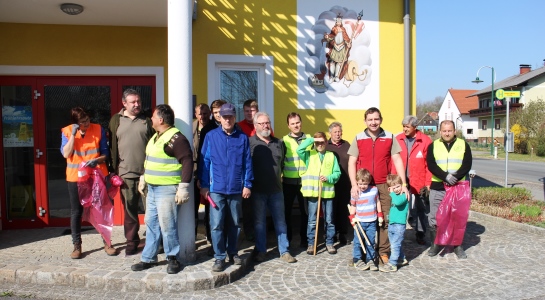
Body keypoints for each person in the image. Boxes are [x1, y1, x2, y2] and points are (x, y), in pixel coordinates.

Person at [131, 104, 193, 274]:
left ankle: (173, 258)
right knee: (151, 223)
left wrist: (183, 187)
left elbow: (187, 161)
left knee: (167, 225)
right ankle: (148, 258)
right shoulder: (156, 137)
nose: (150, 119)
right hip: (152, 188)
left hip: (167, 189)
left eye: (153, 116)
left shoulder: (176, 139)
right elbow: (150, 159)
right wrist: (144, 177)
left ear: (160, 119)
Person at [348, 107, 409, 264]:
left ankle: (383, 251)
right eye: (370, 119)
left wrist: (403, 184)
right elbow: (352, 162)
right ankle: (363, 252)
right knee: (362, 220)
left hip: (383, 185)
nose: (373, 122)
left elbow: (397, 160)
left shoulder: (389, 137)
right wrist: (354, 184)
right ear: (365, 121)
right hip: (364, 186)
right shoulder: (359, 138)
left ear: (380, 119)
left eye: (376, 119)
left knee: (384, 220)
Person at [199, 103, 253, 272]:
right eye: (224, 117)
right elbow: (204, 161)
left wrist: (247, 184)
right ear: (219, 118)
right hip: (216, 189)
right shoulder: (211, 136)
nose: (227, 119)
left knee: (235, 223)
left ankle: (233, 252)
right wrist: (204, 185)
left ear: (234, 117)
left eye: (230, 116)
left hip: (236, 188)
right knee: (216, 224)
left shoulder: (242, 138)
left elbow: (247, 163)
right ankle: (219, 257)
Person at [61, 107, 117, 259]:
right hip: (76, 178)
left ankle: (107, 242)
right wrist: (73, 135)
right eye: (82, 122)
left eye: (87, 120)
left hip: (96, 175)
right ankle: (76, 245)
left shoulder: (98, 129)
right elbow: (66, 153)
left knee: (101, 209)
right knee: (76, 212)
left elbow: (105, 154)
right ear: (75, 123)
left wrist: (96, 160)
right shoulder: (66, 132)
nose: (86, 124)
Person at [108, 89, 154, 256]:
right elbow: (111, 145)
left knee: (151, 211)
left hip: (147, 174)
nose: (137, 105)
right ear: (124, 103)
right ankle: (132, 241)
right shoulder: (116, 120)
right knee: (130, 211)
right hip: (125, 174)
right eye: (133, 102)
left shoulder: (147, 120)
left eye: (138, 101)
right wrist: (113, 170)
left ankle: (153, 240)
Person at [249, 111, 297, 263]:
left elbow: (282, 164)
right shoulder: (250, 143)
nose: (265, 125)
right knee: (259, 222)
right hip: (257, 191)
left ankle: (285, 251)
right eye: (262, 123)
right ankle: (261, 250)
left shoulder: (279, 143)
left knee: (280, 221)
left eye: (267, 122)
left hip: (276, 190)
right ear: (255, 126)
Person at [426, 120, 472, 259]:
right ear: (440, 131)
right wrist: (445, 176)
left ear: (454, 131)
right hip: (438, 186)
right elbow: (431, 164)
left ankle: (457, 246)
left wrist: (455, 178)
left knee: (457, 218)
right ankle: (436, 244)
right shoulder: (433, 145)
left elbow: (467, 164)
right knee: (434, 217)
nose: (447, 133)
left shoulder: (463, 145)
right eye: (444, 131)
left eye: (449, 130)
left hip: (457, 187)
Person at [297, 132, 340, 255]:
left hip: (327, 193)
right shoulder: (308, 155)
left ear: (326, 142)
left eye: (322, 142)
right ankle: (311, 243)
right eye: (317, 142)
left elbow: (337, 173)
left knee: (329, 219)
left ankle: (329, 242)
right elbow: (300, 148)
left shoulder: (331, 156)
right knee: (312, 219)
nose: (320, 144)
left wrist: (329, 178)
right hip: (313, 193)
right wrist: (312, 139)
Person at [393, 115, 432, 245]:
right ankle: (398, 233)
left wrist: (428, 184)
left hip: (419, 181)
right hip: (400, 180)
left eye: (407, 127)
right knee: (399, 206)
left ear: (415, 127)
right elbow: (392, 160)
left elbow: (429, 165)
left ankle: (420, 233)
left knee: (421, 208)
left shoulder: (425, 141)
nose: (404, 129)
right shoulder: (397, 139)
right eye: (403, 126)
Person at [196, 99, 226, 253]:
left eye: (220, 112)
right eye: (215, 113)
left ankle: (226, 243)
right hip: (212, 177)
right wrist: (202, 178)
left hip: (229, 179)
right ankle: (212, 241)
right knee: (211, 212)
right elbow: (203, 155)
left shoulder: (234, 127)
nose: (218, 115)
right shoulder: (208, 130)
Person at [282, 112, 309, 248]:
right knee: (287, 212)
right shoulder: (284, 140)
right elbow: (281, 160)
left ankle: (305, 239)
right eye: (292, 123)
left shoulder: (309, 139)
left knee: (305, 212)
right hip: (288, 182)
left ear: (301, 122)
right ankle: (288, 239)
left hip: (305, 181)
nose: (296, 125)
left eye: (297, 122)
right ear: (288, 125)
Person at [348, 168, 381, 271]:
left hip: (371, 221)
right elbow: (353, 205)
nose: (362, 186)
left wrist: (380, 215)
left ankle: (370, 259)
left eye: (365, 184)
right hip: (360, 221)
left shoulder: (374, 190)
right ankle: (357, 259)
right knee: (358, 242)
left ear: (369, 182)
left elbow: (378, 202)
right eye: (360, 184)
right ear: (357, 182)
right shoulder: (355, 192)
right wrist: (352, 217)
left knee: (370, 241)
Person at [325, 121, 351, 245]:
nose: (337, 134)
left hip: (345, 183)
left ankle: (343, 233)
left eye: (339, 131)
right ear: (330, 133)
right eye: (335, 132)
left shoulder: (347, 145)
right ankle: (331, 233)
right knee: (331, 210)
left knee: (343, 209)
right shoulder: (326, 146)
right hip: (330, 184)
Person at [379, 174, 409, 273]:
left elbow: (397, 202)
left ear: (402, 185)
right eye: (393, 187)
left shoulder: (404, 195)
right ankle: (401, 258)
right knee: (394, 244)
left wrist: (391, 193)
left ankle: (392, 264)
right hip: (392, 224)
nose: (396, 189)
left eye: (398, 186)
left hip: (399, 225)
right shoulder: (395, 195)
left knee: (395, 245)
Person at [192, 103, 210, 238]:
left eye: (205, 113)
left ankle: (209, 234)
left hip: (209, 170)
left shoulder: (213, 128)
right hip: (193, 170)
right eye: (200, 114)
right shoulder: (190, 127)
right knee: (193, 206)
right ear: (195, 114)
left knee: (210, 206)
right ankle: (191, 234)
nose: (202, 116)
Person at [323, 14, 351, 82]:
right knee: (332, 63)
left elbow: (346, 38)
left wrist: (348, 43)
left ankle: (336, 76)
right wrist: (327, 37)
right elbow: (331, 36)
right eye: (337, 21)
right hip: (335, 48)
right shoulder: (334, 29)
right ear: (336, 22)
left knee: (339, 63)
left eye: (340, 21)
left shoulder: (343, 29)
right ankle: (331, 77)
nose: (338, 22)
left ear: (341, 22)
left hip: (342, 48)